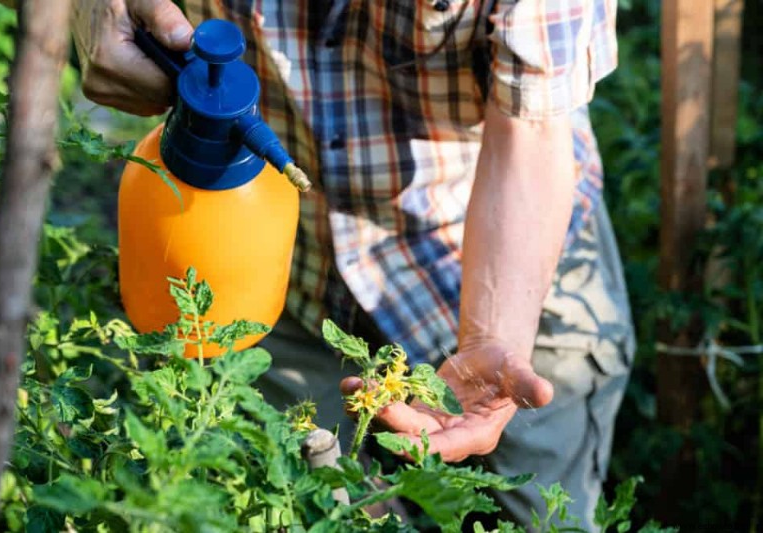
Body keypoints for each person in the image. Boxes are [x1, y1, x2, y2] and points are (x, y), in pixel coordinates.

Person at [71, 0, 636, 528]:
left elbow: (531, 130)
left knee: (541, 513)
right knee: (304, 506)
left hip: (501, 260)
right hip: (280, 266)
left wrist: (491, 338)